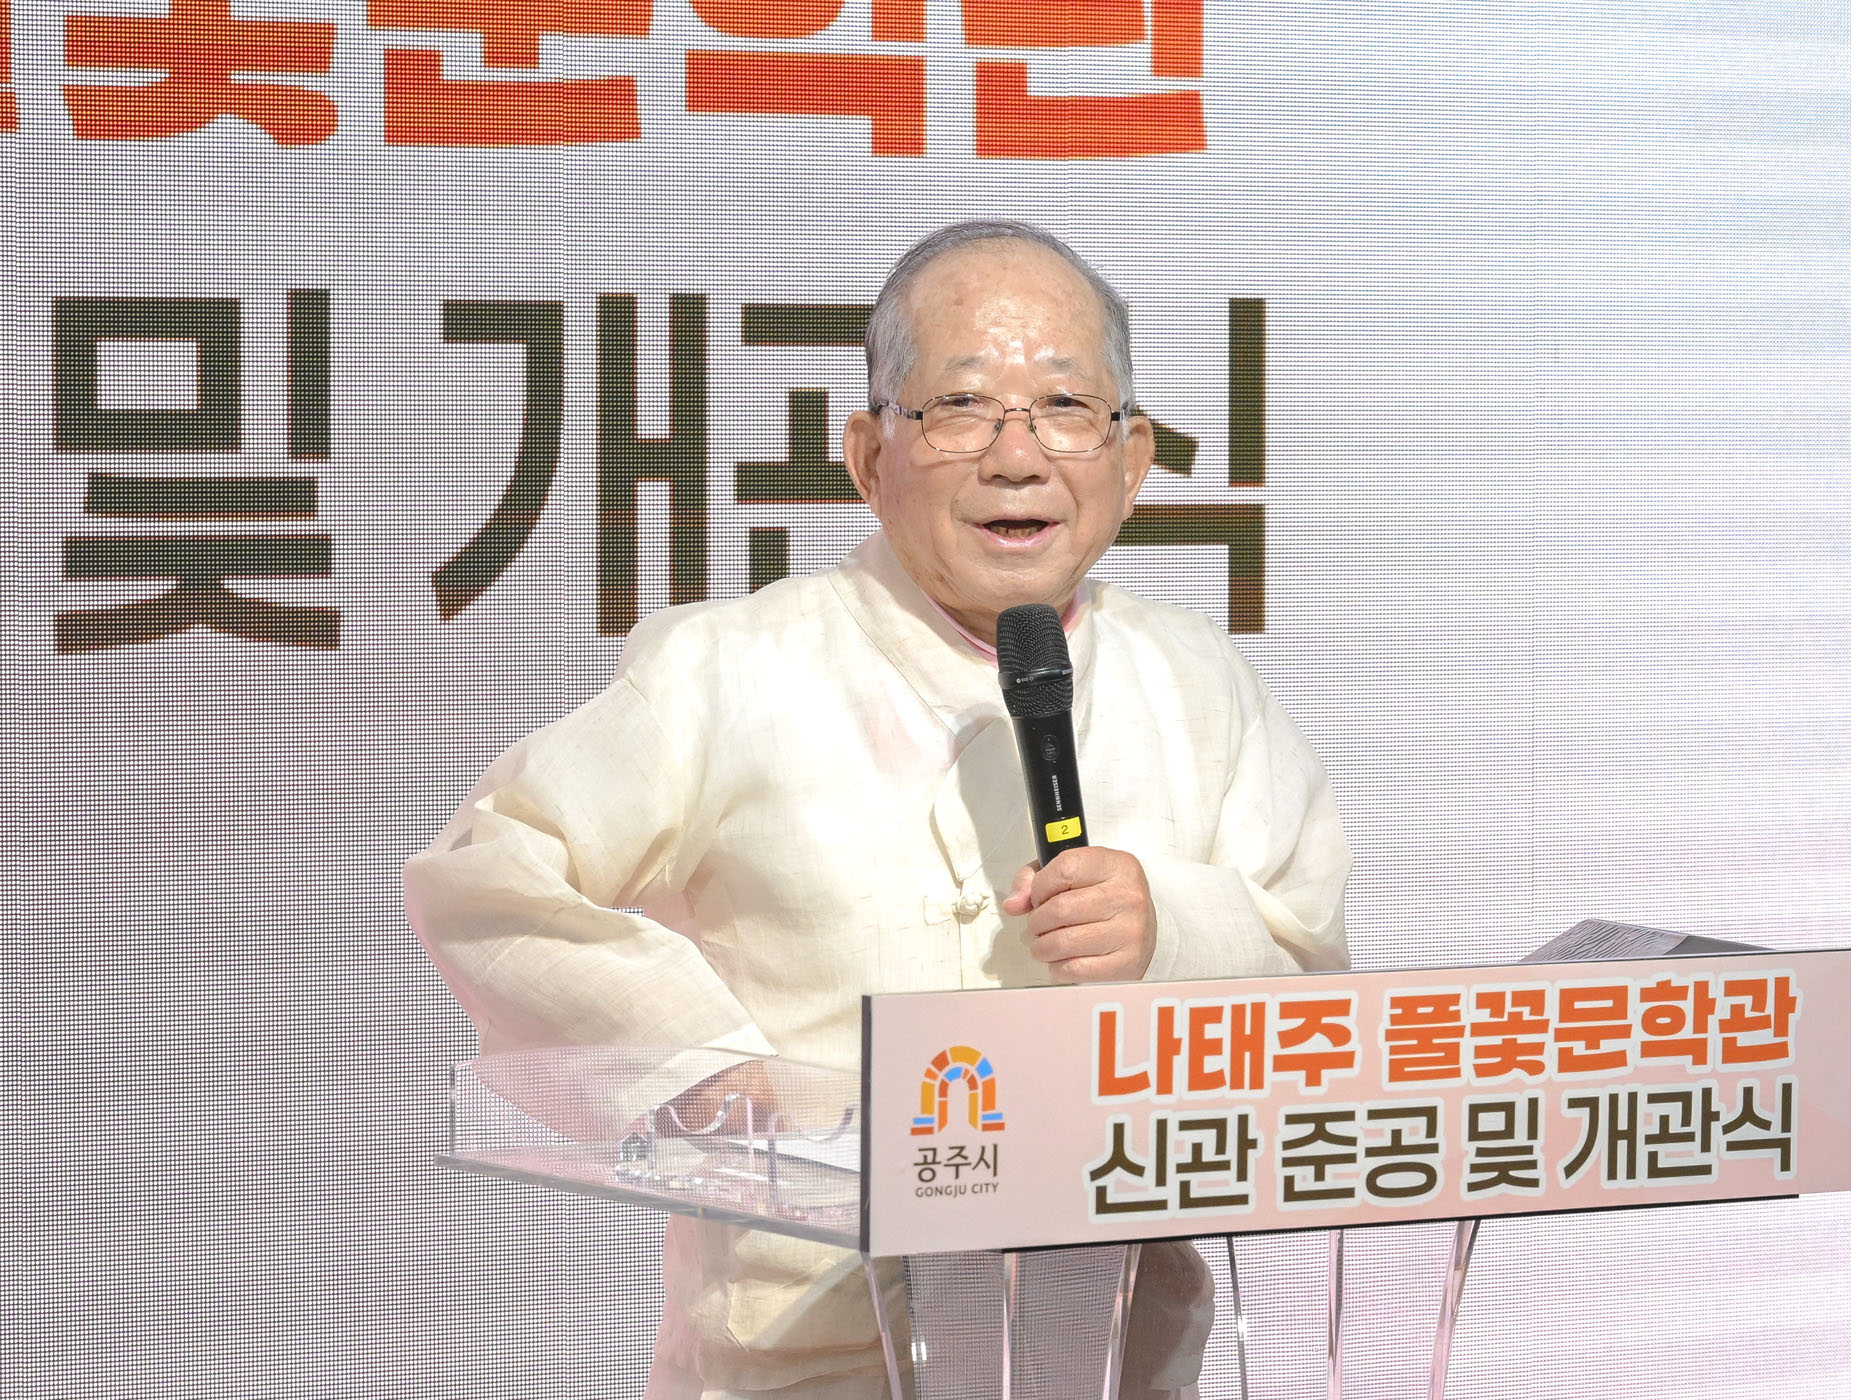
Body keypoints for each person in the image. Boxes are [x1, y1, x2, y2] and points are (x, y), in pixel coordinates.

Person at [404, 219, 1352, 1398]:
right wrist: (697, 1061)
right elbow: (489, 871)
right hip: (802, 1356)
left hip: (1112, 1355)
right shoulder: (733, 666)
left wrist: (1173, 928)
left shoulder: (1198, 679)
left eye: (1065, 407)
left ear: (1133, 457)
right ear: (868, 454)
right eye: (961, 407)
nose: (1018, 457)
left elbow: (1317, 989)